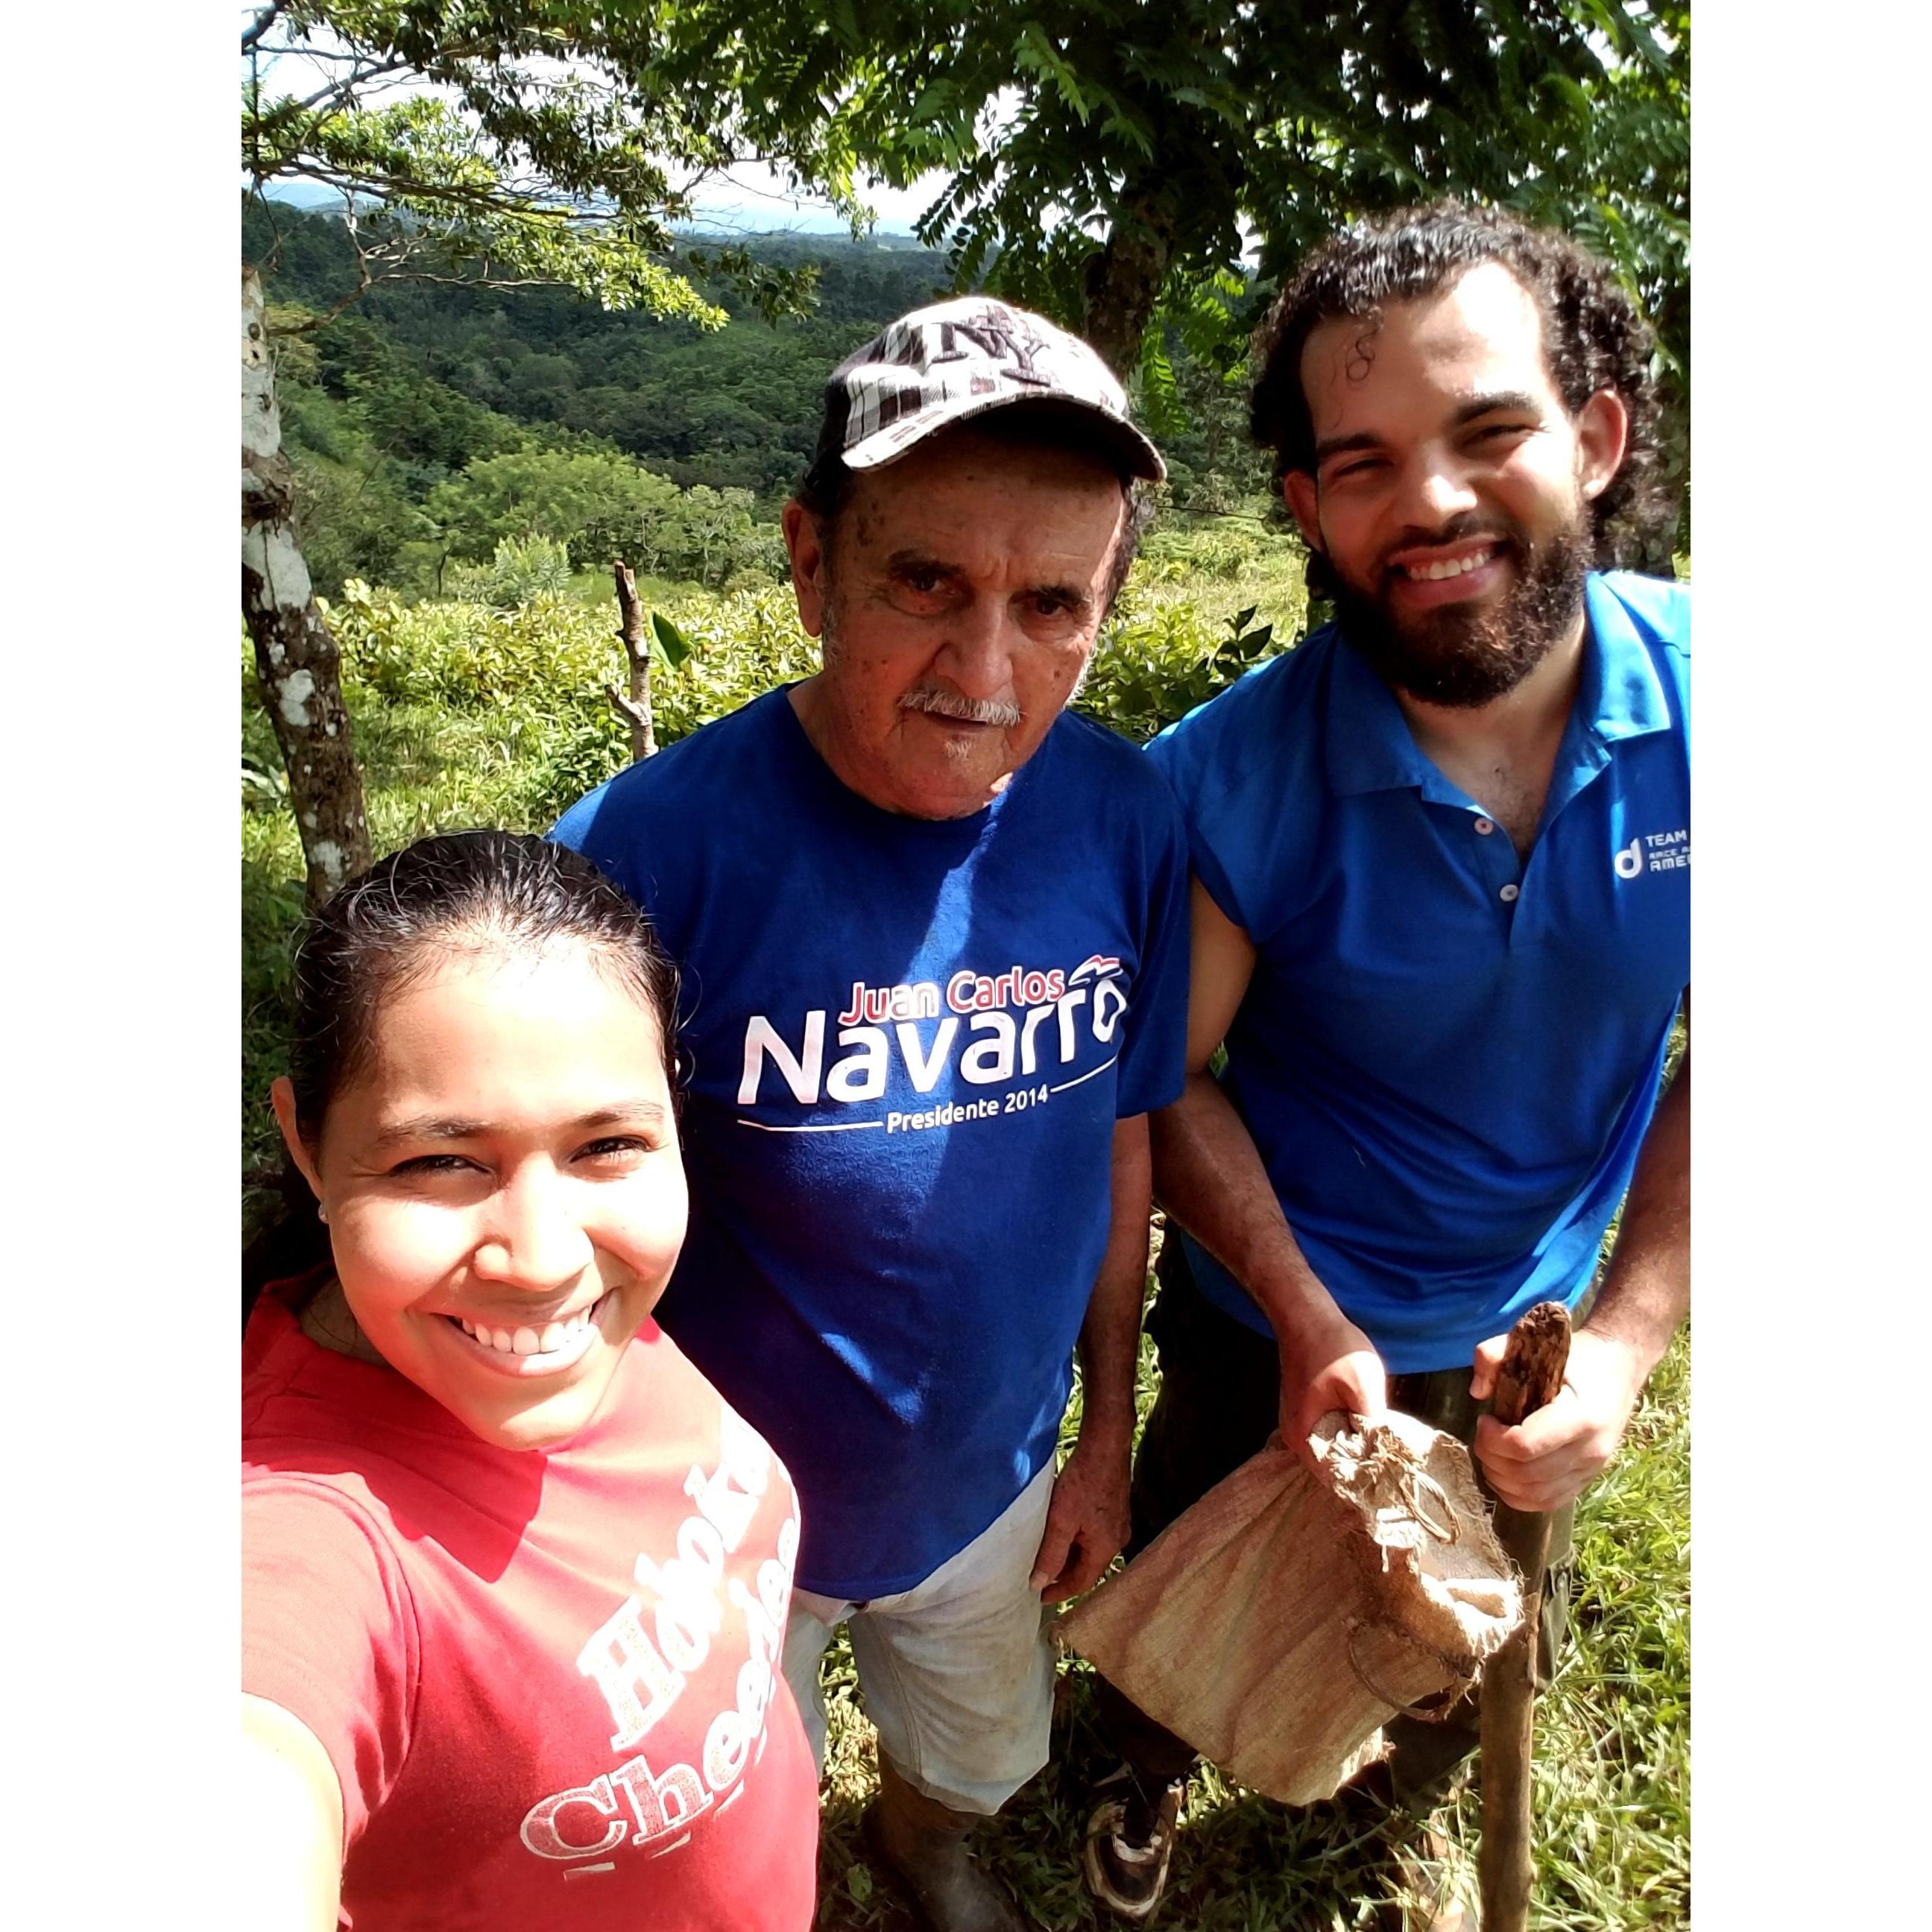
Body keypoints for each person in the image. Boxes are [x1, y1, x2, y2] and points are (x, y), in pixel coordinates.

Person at [1082, 202, 1690, 1928]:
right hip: (1265, 1312)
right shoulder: (1229, 783)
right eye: (1363, 463)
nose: (1428, 502)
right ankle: (1136, 1769)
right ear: (1308, 510)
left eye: (1488, 431)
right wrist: (1299, 1309)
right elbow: (1169, 1077)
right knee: (1196, 1571)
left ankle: (1406, 1777)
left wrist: (1630, 1347)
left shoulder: (1727, 712)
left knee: (1461, 1609)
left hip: (1534, 1318)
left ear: (1594, 435)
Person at [555, 297, 1190, 1932]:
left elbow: (1123, 1135)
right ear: (810, 559)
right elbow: (542, 1218)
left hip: (992, 1484)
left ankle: (927, 1849)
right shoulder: (646, 852)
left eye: (1054, 604)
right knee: (704, 1802)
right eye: (927, 583)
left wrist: (1104, 1428)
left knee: (975, 1746)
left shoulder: (1123, 818)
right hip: (703, 1518)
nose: (987, 670)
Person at [241, 831, 820, 1931]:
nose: (546, 1256)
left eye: (607, 1146)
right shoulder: (301, 1530)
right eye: (440, 1163)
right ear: (308, 1147)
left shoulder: (576, 1327)